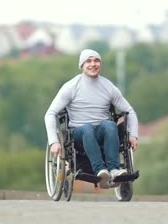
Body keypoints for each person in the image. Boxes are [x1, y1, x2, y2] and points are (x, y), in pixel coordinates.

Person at [45, 49, 139, 189]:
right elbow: (50, 113)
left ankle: (113, 170)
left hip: (102, 132)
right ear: (81, 66)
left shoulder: (108, 87)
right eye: (88, 61)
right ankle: (100, 171)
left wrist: (133, 135)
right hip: (78, 134)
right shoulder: (71, 87)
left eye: (96, 61)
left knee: (109, 125)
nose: (93, 64)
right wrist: (53, 141)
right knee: (87, 128)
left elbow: (129, 111)